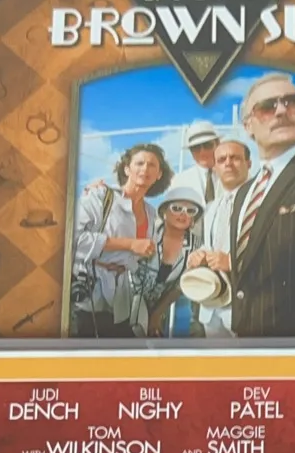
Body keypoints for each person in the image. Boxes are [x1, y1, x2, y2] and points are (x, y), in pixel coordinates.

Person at [225, 73, 295, 337]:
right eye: (267, 107)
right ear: (248, 126)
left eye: (293, 102)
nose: (282, 111)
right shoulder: (243, 194)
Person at [69, 142, 173, 337]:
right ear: (126, 169)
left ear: (159, 174)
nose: (145, 169)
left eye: (152, 165)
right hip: (88, 297)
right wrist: (130, 244)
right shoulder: (100, 196)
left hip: (122, 303)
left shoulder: (152, 214)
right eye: (139, 163)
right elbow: (71, 240)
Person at [183, 136, 252, 334]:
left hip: (245, 306)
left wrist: (232, 262)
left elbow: (271, 247)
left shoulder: (259, 202)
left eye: (235, 158)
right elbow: (210, 244)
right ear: (215, 167)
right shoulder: (211, 208)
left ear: (248, 163)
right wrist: (198, 255)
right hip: (211, 305)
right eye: (221, 160)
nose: (228, 163)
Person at [145, 172, 209, 336]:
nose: (183, 214)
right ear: (164, 212)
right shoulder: (147, 232)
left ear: (194, 219)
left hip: (157, 310)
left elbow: (179, 286)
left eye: (190, 211)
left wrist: (157, 314)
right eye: (177, 208)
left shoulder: (196, 246)